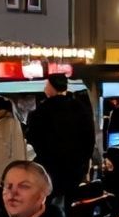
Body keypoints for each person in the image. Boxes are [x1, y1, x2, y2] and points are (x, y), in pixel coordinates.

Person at [26, 74, 94, 204]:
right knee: (71, 202)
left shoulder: (43, 109)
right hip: (75, 167)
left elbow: (33, 136)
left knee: (48, 200)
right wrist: (84, 161)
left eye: (46, 85)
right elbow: (89, 137)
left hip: (51, 166)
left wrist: (43, 156)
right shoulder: (79, 107)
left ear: (51, 87)